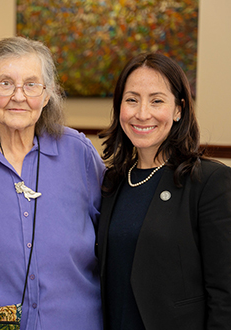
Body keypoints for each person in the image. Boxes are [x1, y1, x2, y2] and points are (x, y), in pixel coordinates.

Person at [0, 36, 105, 330]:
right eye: (5, 83)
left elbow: (113, 232)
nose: (19, 96)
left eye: (31, 84)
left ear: (47, 95)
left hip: (74, 322)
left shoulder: (78, 152)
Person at [97, 52, 231, 329]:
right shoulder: (113, 181)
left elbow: (225, 293)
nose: (142, 113)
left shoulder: (210, 182)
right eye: (131, 99)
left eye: (157, 100)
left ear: (179, 109)